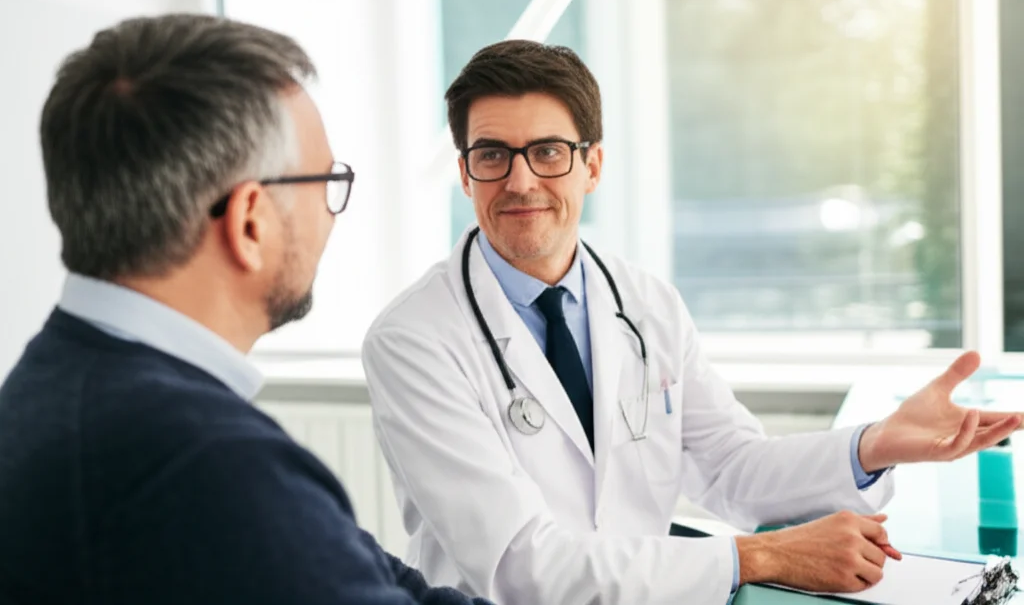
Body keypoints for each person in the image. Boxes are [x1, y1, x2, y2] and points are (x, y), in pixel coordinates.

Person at [361, 39, 1024, 604]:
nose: (520, 180)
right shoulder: (413, 341)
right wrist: (759, 557)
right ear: (465, 173)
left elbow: (733, 469)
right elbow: (520, 567)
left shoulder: (646, 303)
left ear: (592, 165)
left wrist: (875, 444)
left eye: (549, 151)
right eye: (492, 155)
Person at [0, 14, 493, 605]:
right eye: (325, 183)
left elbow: (378, 577)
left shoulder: (55, 386)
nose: (332, 213)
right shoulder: (200, 463)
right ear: (250, 222)